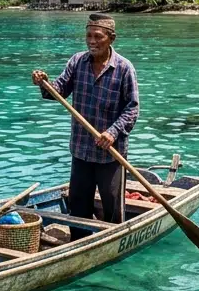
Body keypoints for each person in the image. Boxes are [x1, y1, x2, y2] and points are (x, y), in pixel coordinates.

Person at [31, 13, 139, 239]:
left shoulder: (124, 68)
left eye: (97, 36)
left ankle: (112, 242)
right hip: (81, 150)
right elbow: (58, 91)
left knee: (112, 209)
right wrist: (45, 83)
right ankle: (79, 243)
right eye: (88, 36)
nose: (91, 41)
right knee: (78, 206)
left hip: (111, 154)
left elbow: (132, 108)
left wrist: (112, 132)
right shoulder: (77, 62)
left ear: (111, 38)